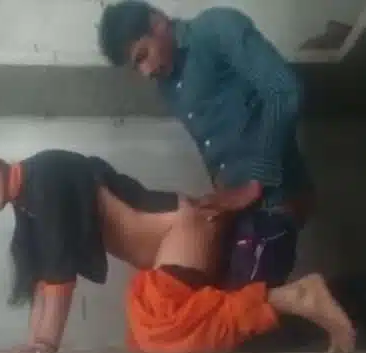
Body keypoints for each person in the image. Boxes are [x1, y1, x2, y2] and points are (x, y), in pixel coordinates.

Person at [0, 148, 366, 353]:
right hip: (172, 247)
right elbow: (45, 279)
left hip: (182, 228)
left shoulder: (43, 174)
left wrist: (46, 342)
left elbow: (61, 274)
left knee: (159, 323)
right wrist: (34, 343)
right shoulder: (28, 205)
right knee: (183, 334)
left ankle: (302, 295)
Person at [98, 1, 315, 291]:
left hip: (275, 198)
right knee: (209, 305)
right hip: (238, 210)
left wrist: (255, 183)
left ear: (158, 22)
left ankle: (358, 291)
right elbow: (213, 147)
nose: (146, 71)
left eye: (142, 55)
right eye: (136, 67)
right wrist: (220, 201)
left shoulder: (215, 28)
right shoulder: (168, 85)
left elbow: (284, 90)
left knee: (242, 310)